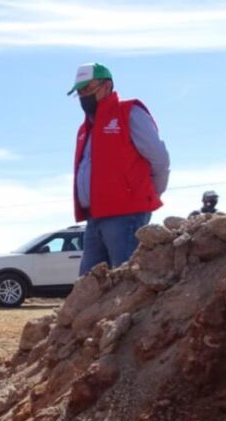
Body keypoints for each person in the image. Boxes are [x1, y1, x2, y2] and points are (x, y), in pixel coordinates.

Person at [69, 63, 170, 274]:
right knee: (88, 286)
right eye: (80, 92)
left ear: (107, 86)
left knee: (126, 281)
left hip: (126, 215)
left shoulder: (129, 112)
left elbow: (158, 157)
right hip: (94, 216)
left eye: (88, 89)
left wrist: (149, 194)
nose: (83, 96)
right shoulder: (85, 128)